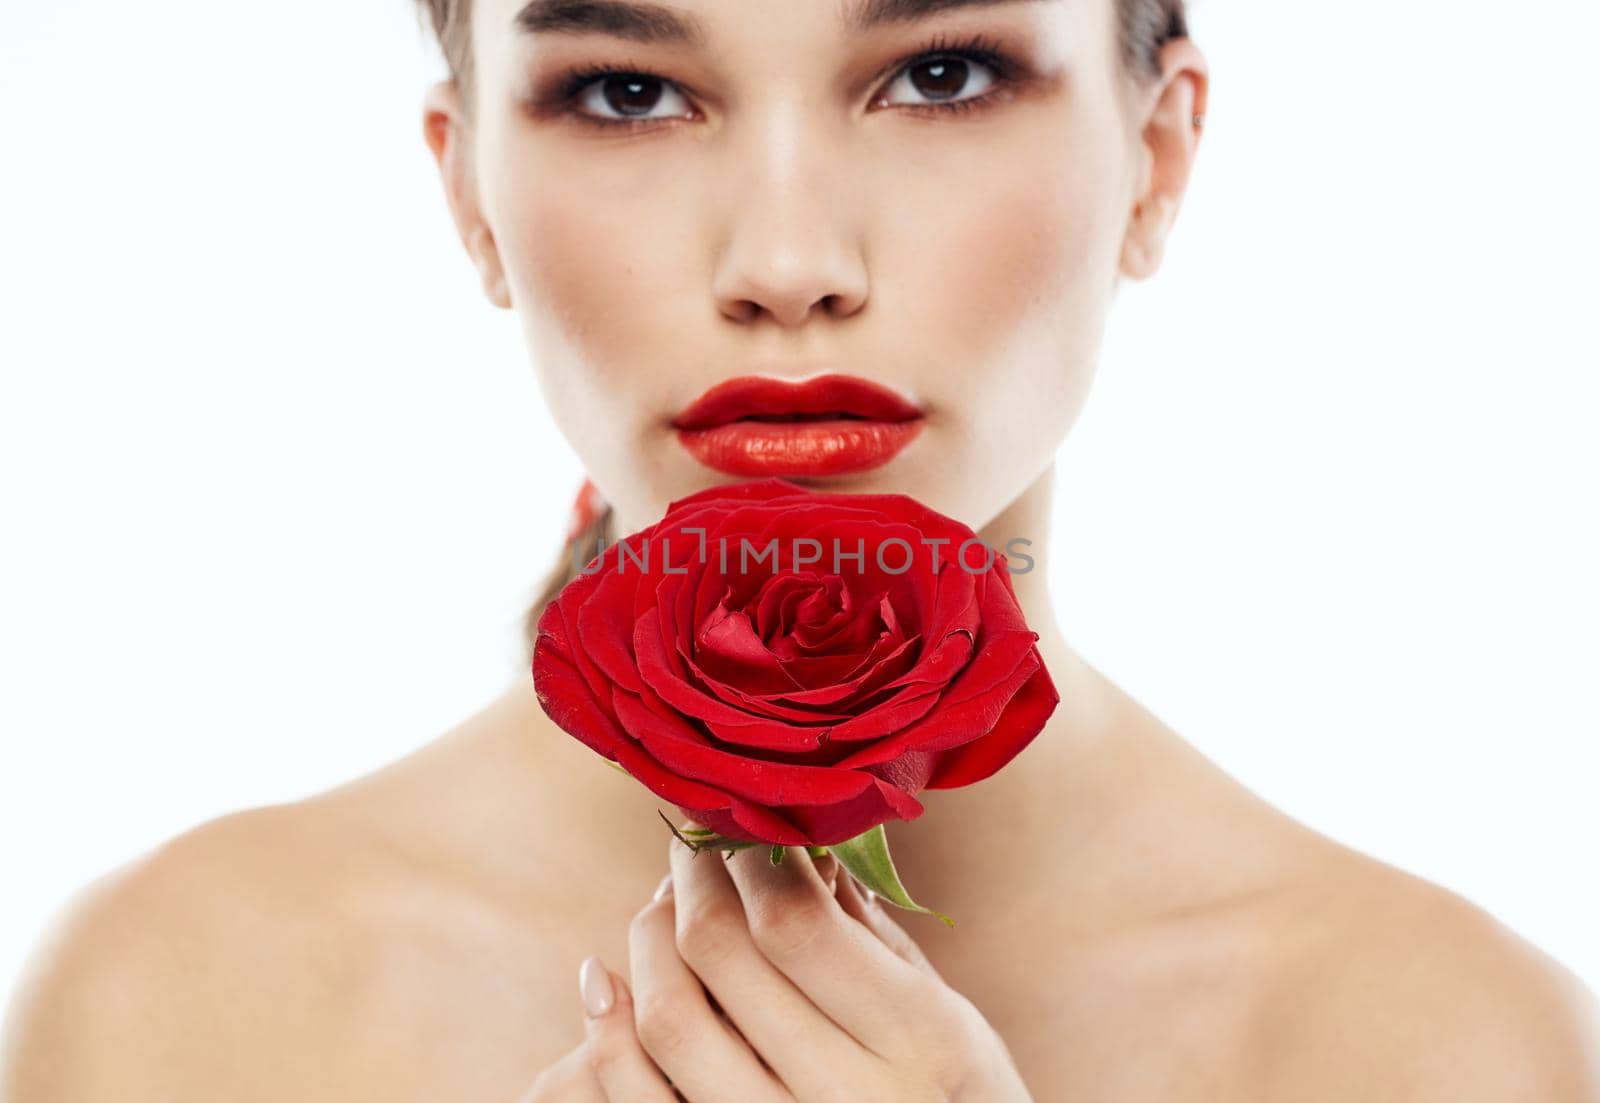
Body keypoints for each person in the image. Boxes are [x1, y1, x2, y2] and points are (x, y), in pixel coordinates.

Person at [3, 0, 1597, 1098]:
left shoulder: (1458, 1051)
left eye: (944, 74)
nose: (785, 264)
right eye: (627, 90)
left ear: (1158, 158)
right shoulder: (179, 999)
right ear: (469, 193)